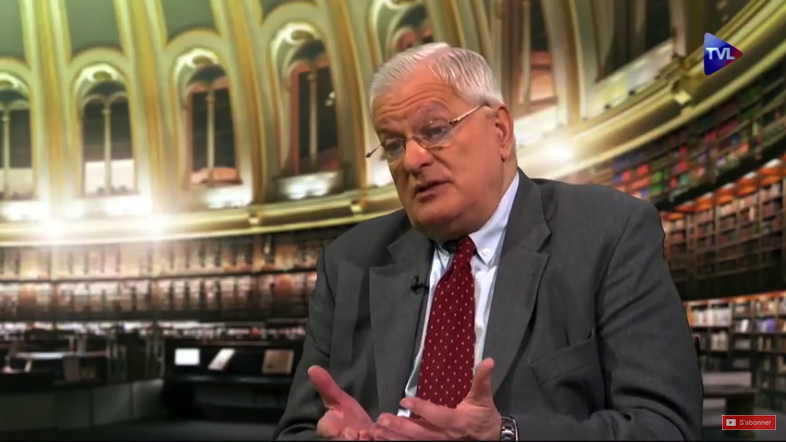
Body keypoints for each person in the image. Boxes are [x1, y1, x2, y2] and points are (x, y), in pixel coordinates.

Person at [274, 43, 702, 440]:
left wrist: (505, 435)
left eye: (435, 130)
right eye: (393, 145)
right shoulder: (349, 261)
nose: (412, 160)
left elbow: (665, 426)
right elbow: (297, 430)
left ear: (500, 130)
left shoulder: (609, 233)